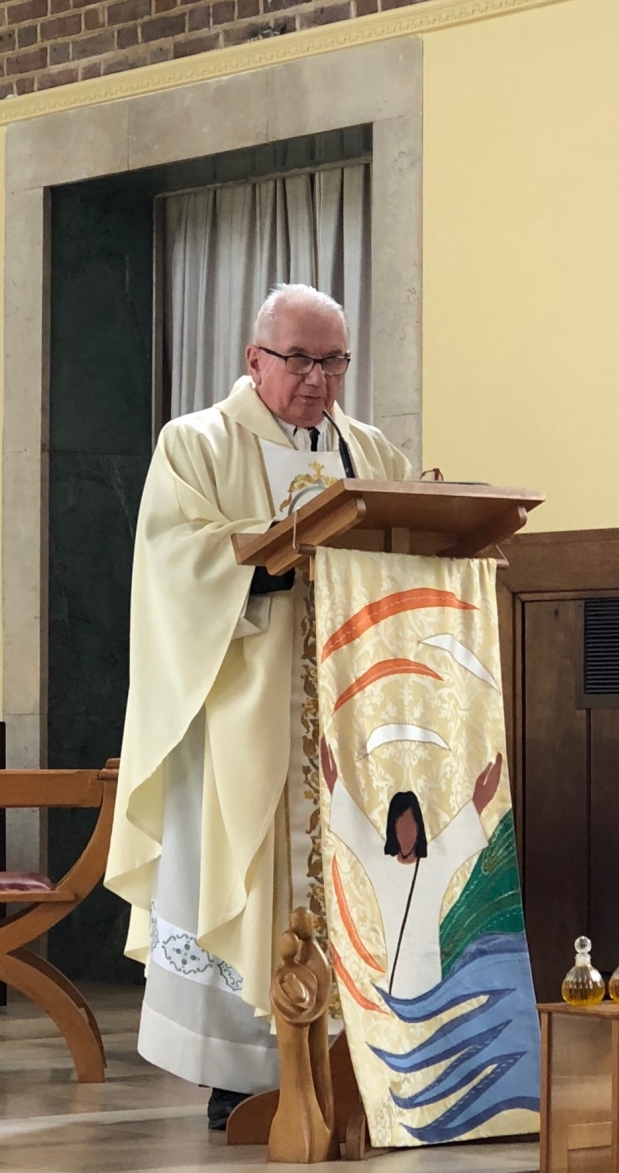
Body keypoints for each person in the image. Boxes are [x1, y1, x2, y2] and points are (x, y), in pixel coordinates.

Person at [106, 284, 410, 1129]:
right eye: (300, 359)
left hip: (348, 710)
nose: (318, 379)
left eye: (334, 361)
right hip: (244, 711)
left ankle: (357, 1059)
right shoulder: (197, 443)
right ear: (255, 359)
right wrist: (269, 562)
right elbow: (175, 560)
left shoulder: (369, 451)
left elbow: (405, 538)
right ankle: (244, 1070)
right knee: (248, 879)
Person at [320, 737, 503, 999]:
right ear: (392, 830)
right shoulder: (380, 865)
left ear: (419, 829)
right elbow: (356, 831)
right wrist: (333, 785)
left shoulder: (435, 864)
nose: (406, 833)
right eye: (401, 826)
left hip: (430, 979)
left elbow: (458, 837)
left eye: (411, 825)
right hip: (395, 980)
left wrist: (480, 801)